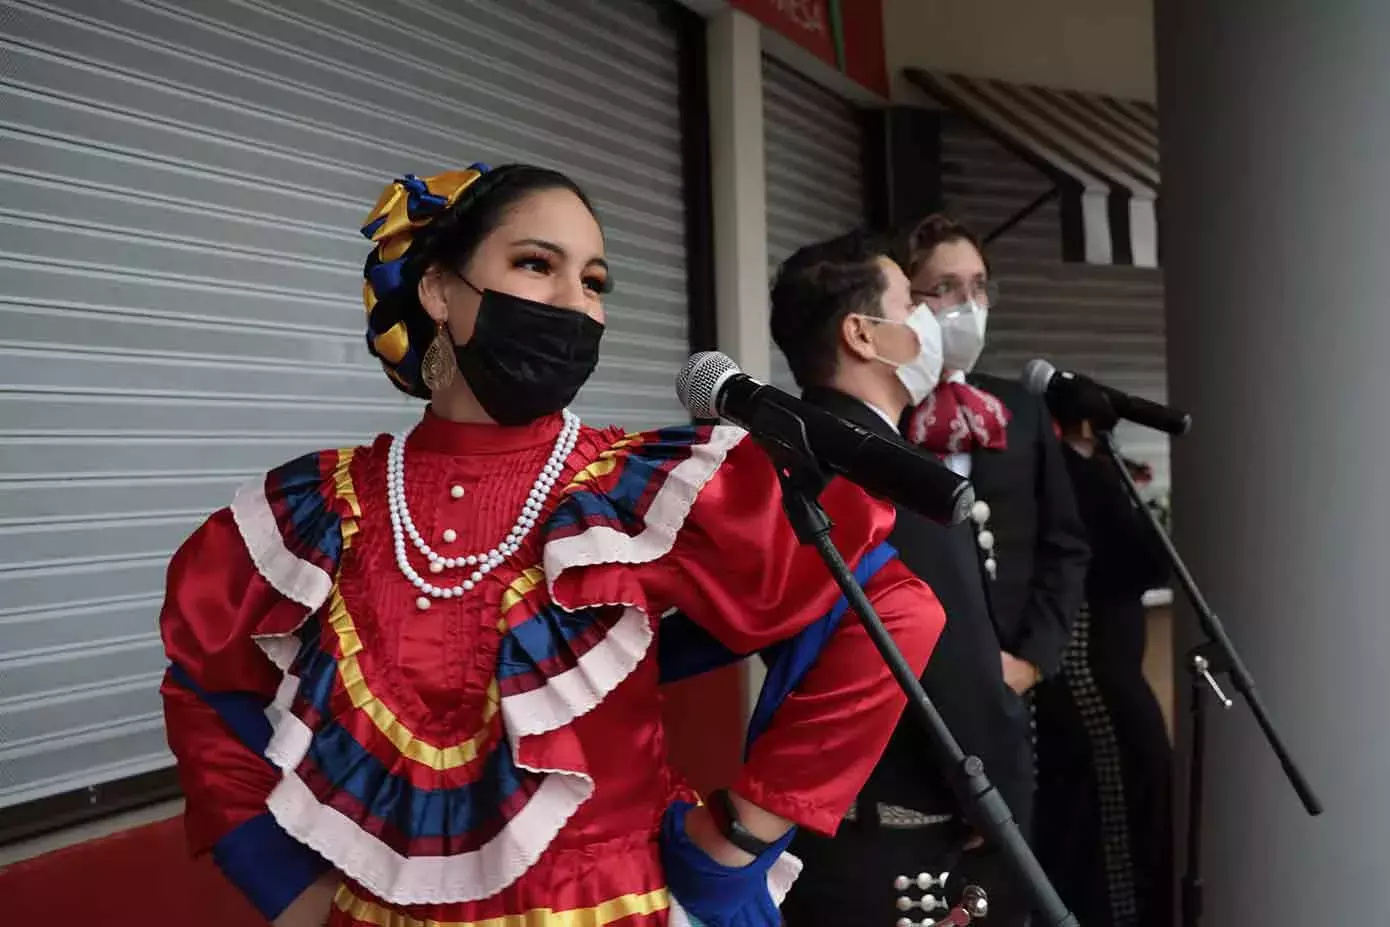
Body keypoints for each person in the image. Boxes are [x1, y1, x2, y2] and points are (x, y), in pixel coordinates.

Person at [157, 164, 945, 927]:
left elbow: (893, 609)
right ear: (438, 289)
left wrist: (740, 834)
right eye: (538, 265)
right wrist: (285, 883)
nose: (576, 304)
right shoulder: (322, 507)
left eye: (595, 282)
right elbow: (204, 686)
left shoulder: (644, 484)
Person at [766, 228, 1035, 927]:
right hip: (901, 846)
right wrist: (1000, 797)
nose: (929, 320)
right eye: (908, 302)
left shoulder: (789, 454)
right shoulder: (887, 474)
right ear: (861, 333)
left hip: (814, 838)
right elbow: (959, 672)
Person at [896, 214, 1090, 922]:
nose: (966, 305)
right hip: (914, 692)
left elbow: (1066, 547)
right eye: (945, 287)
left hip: (1013, 690)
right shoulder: (882, 416)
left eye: (978, 286)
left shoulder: (1023, 410)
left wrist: (1033, 659)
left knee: (1010, 880)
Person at [1032, 417, 1173, 927]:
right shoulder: (1073, 477)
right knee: (1115, 868)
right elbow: (1147, 560)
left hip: (1088, 696)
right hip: (1095, 702)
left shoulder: (1067, 474)